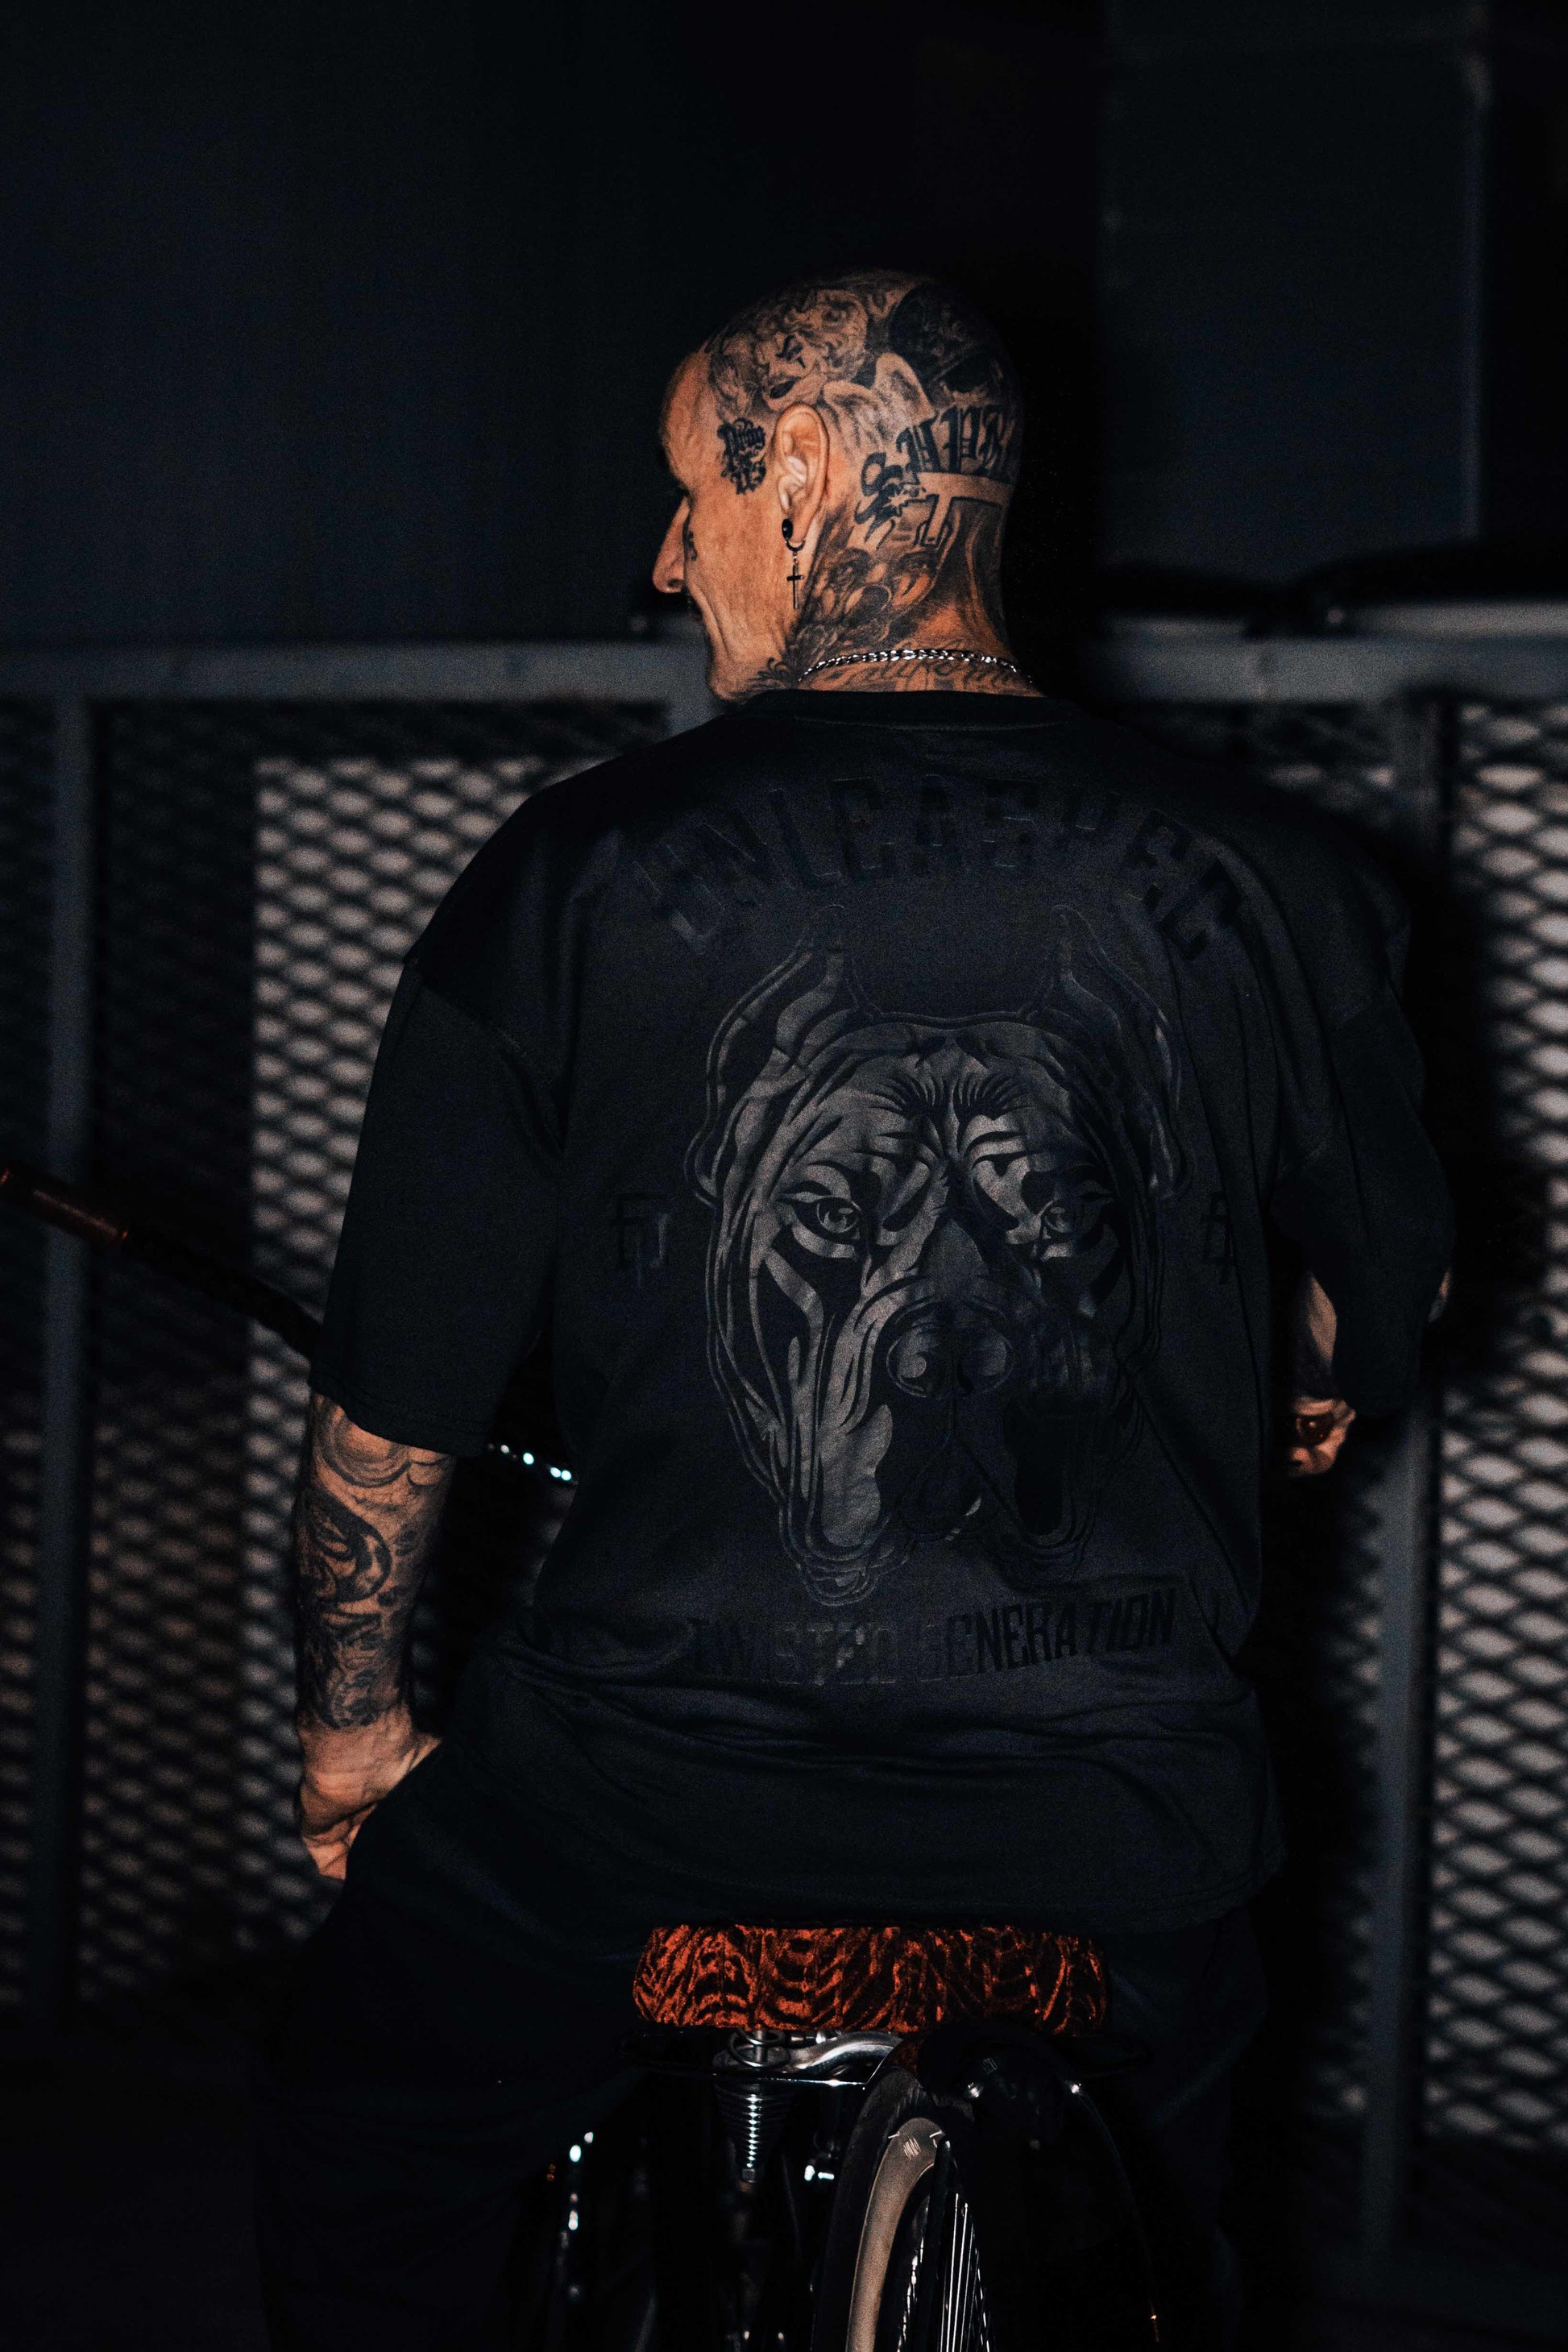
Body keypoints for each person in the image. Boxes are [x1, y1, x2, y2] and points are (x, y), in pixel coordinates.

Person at [253, 270, 1453, 2350]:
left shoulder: (567, 876)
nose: (664, 558)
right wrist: (1309, 1384)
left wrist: (353, 1727)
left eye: (687, 494)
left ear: (801, 473)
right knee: (1164, 2237)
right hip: (1116, 1806)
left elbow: (397, 1409)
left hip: (640, 1793)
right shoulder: (1283, 879)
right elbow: (1395, 1283)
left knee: (371, 2158)